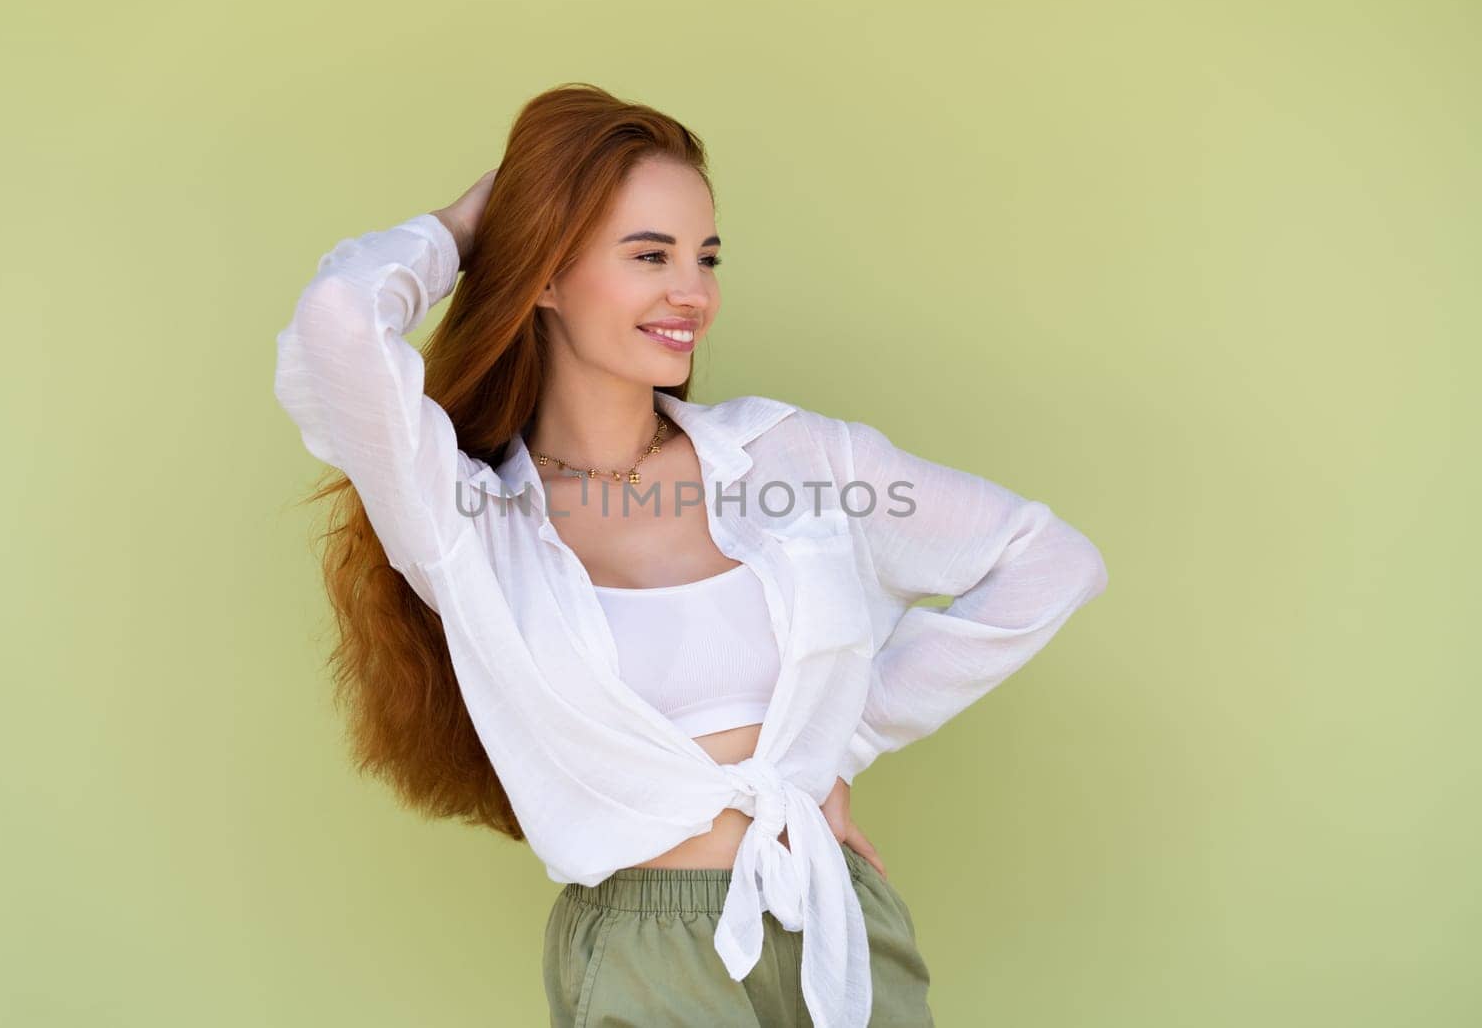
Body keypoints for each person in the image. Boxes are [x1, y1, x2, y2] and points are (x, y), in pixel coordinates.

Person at [273, 82, 1108, 1028]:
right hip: (646, 954)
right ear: (544, 275)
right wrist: (474, 223)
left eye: (705, 257)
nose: (693, 292)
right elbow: (339, 323)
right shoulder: (466, 517)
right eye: (650, 255)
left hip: (830, 915)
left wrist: (839, 740)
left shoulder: (791, 460)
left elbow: (1048, 561)